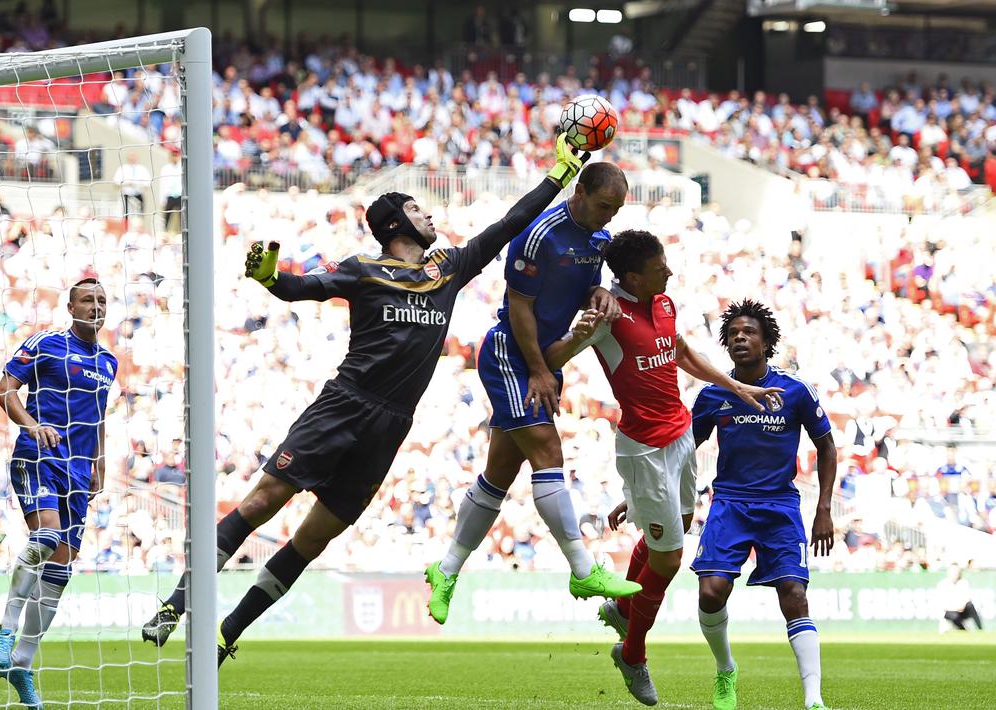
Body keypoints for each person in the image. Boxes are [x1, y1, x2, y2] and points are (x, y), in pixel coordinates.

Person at [140, 135, 588, 659]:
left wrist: (557, 177)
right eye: (418, 209)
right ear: (396, 223)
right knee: (262, 502)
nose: (429, 215)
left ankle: (226, 633)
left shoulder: (447, 269)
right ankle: (175, 606)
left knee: (314, 539)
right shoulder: (363, 269)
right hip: (344, 404)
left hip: (391, 425)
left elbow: (509, 224)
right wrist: (269, 279)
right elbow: (301, 286)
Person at [541, 231, 782, 706]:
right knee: (669, 559)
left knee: (670, 536)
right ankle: (632, 653)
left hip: (680, 438)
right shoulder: (608, 316)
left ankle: (624, 607)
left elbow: (684, 353)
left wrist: (738, 388)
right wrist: (580, 334)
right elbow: (554, 357)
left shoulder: (664, 304)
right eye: (659, 266)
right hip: (643, 450)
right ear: (632, 276)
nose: (668, 271)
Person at [424, 160, 640, 626]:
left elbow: (575, 292)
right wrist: (540, 371)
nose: (609, 217)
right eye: (604, 205)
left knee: (499, 474)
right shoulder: (540, 235)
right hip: (510, 355)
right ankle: (583, 570)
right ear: (579, 192)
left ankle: (444, 571)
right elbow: (519, 308)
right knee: (547, 450)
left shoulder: (598, 242)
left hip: (544, 361)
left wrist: (599, 295)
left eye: (617, 209)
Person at [609, 299, 837, 710]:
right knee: (711, 594)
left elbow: (827, 446)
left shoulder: (796, 391)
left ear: (766, 342)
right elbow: (678, 450)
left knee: (794, 595)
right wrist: (634, 494)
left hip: (780, 506)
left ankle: (813, 698)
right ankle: (726, 671)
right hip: (730, 503)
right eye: (733, 334)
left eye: (748, 333)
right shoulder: (714, 395)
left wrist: (824, 508)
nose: (740, 339)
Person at [0, 278, 117, 709]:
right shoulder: (45, 343)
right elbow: (3, 389)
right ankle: (6, 630)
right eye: (87, 299)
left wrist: (99, 462)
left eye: (101, 300)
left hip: (79, 472)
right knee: (44, 539)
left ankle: (22, 663)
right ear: (70, 306)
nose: (95, 306)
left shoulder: (108, 362)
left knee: (60, 572)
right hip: (37, 455)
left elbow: (98, 417)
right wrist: (30, 425)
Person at [939, 564, 984, 632]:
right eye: (952, 572)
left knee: (970, 605)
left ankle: (980, 629)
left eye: (956, 572)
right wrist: (955, 608)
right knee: (953, 615)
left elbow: (966, 599)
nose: (954, 574)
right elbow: (943, 604)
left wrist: (961, 606)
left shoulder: (964, 583)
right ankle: (964, 630)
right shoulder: (943, 584)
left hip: (962, 610)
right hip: (950, 612)